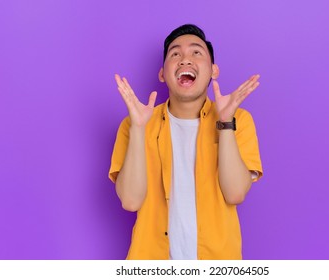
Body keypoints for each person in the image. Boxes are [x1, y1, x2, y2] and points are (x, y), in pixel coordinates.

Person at [109, 24, 263, 260]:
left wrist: (225, 123)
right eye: (175, 54)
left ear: (213, 70)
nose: (185, 59)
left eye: (196, 52)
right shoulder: (134, 125)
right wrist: (139, 129)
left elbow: (235, 194)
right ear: (162, 73)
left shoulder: (239, 120)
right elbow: (130, 200)